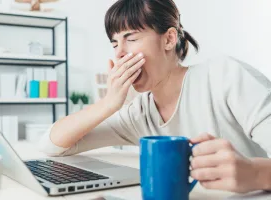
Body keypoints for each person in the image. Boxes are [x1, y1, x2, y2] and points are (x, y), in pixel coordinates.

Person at [39, 0, 271, 193]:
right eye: (114, 43)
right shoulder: (139, 113)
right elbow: (52, 144)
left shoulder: (225, 77)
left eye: (131, 39)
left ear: (169, 39)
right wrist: (108, 103)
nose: (120, 53)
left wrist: (256, 174)